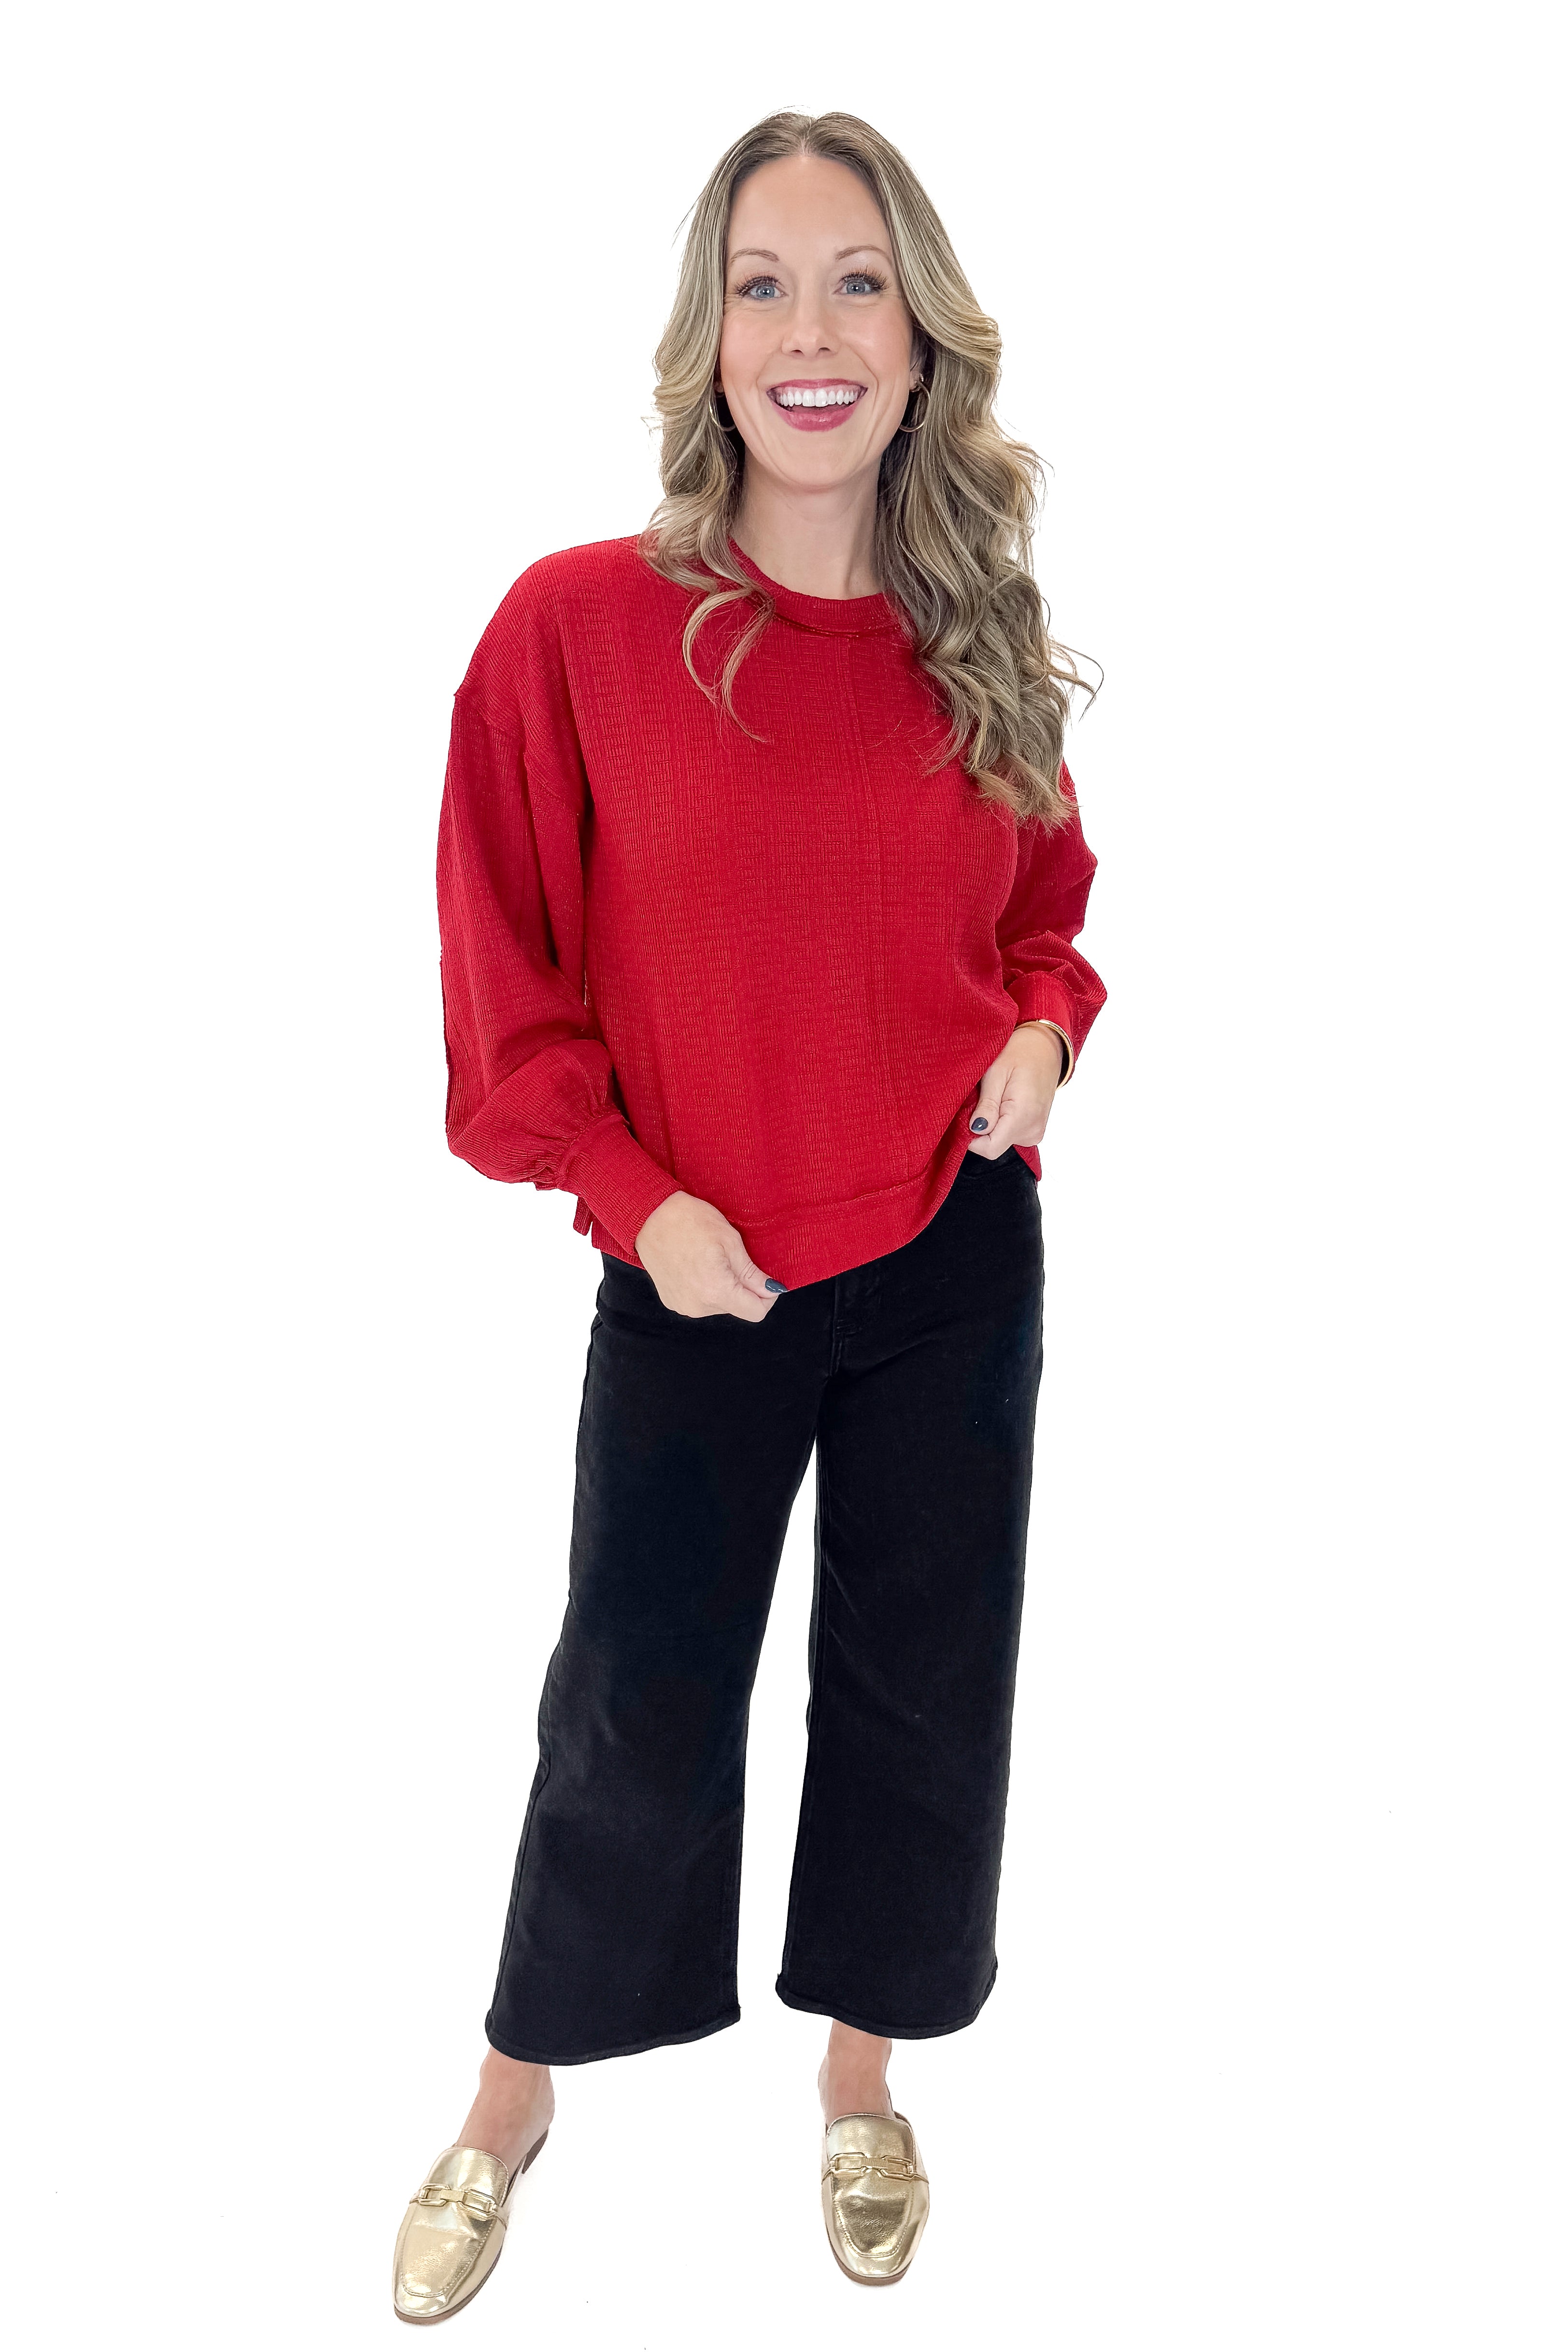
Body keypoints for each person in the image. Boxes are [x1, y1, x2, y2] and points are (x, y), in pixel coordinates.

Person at [393, 108, 1107, 2322]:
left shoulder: (974, 629)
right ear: (706, 337)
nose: (812, 331)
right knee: (633, 1704)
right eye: (764, 283)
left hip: (948, 1257)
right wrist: (630, 1199)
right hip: (695, 1268)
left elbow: (1042, 914)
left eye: (856, 282)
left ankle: (860, 2080)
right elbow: (503, 986)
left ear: (921, 338)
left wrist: (1042, 1035)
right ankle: (510, 2095)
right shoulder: (576, 629)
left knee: (920, 1693)